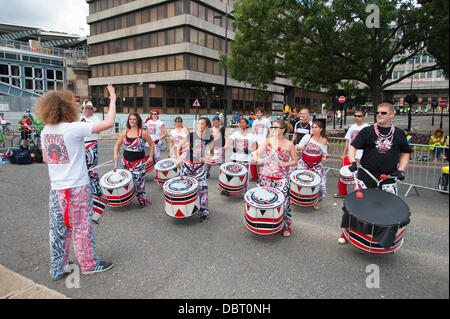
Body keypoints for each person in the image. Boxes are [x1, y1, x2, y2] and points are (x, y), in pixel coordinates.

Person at [38, 84, 117, 280]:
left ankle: (59, 267)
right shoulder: (73, 128)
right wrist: (113, 98)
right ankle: (89, 264)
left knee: (58, 229)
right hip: (77, 187)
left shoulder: (45, 131)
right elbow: (108, 123)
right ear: (67, 108)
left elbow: (46, 158)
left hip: (56, 189)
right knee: (81, 227)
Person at [253, 119, 298, 237]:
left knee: (284, 203)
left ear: (282, 130)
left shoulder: (289, 144)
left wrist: (285, 164)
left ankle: (285, 226)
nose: (272, 129)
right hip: (266, 177)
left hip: (282, 178)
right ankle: (263, 223)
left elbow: (295, 161)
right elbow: (256, 153)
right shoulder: (268, 141)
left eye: (275, 127)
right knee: (262, 200)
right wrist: (258, 160)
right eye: (271, 127)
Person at [176, 117, 214, 223]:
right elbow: (179, 146)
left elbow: (212, 153)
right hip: (187, 165)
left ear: (207, 126)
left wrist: (205, 158)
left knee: (203, 189)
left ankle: (204, 212)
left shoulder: (209, 138)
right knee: (184, 188)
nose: (199, 125)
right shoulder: (191, 135)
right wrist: (179, 159)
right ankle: (184, 208)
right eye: (199, 123)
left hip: (199, 167)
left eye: (202, 124)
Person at [114, 113, 155, 208]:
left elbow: (152, 144)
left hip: (139, 163)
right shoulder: (125, 132)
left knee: (139, 182)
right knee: (124, 181)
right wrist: (115, 154)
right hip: (125, 162)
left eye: (134, 119)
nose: (132, 121)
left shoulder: (142, 133)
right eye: (130, 119)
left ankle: (141, 200)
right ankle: (126, 198)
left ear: (138, 121)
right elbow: (117, 144)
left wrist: (150, 157)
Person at [334, 110, 369, 198]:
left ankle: (355, 195)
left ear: (364, 117)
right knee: (343, 174)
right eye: (355, 116)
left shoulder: (368, 128)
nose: (357, 118)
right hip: (350, 156)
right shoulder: (352, 127)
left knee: (359, 177)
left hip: (361, 157)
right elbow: (347, 141)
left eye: (359, 116)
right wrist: (343, 154)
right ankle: (342, 193)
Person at [295, 120, 329, 210]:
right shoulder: (307, 137)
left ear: (321, 129)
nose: (314, 129)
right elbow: (298, 147)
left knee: (320, 184)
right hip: (304, 163)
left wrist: (325, 158)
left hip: (316, 165)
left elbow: (325, 153)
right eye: (313, 127)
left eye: (316, 127)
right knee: (298, 181)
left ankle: (315, 201)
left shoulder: (324, 140)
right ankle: (294, 197)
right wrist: (300, 147)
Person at [226, 118, 258, 194]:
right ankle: (229, 189)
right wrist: (233, 148)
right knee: (232, 174)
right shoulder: (235, 134)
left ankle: (245, 190)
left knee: (245, 175)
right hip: (235, 158)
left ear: (247, 124)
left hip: (245, 159)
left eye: (243, 122)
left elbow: (256, 146)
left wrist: (250, 150)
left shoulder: (251, 136)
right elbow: (229, 143)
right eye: (240, 122)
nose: (241, 124)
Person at [80, 101, 102, 196]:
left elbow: (97, 129)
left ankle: (96, 190)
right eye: (86, 108)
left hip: (91, 144)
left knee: (92, 169)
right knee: (81, 169)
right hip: (81, 145)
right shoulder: (79, 118)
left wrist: (85, 125)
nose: (87, 110)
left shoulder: (96, 118)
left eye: (89, 108)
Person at [251, 107, 272, 180]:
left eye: (259, 113)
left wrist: (267, 140)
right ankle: (255, 176)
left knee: (262, 160)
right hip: (256, 143)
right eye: (256, 113)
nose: (257, 114)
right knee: (254, 159)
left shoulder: (266, 121)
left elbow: (270, 131)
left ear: (262, 113)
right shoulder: (254, 122)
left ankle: (263, 176)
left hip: (263, 143)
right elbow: (253, 132)